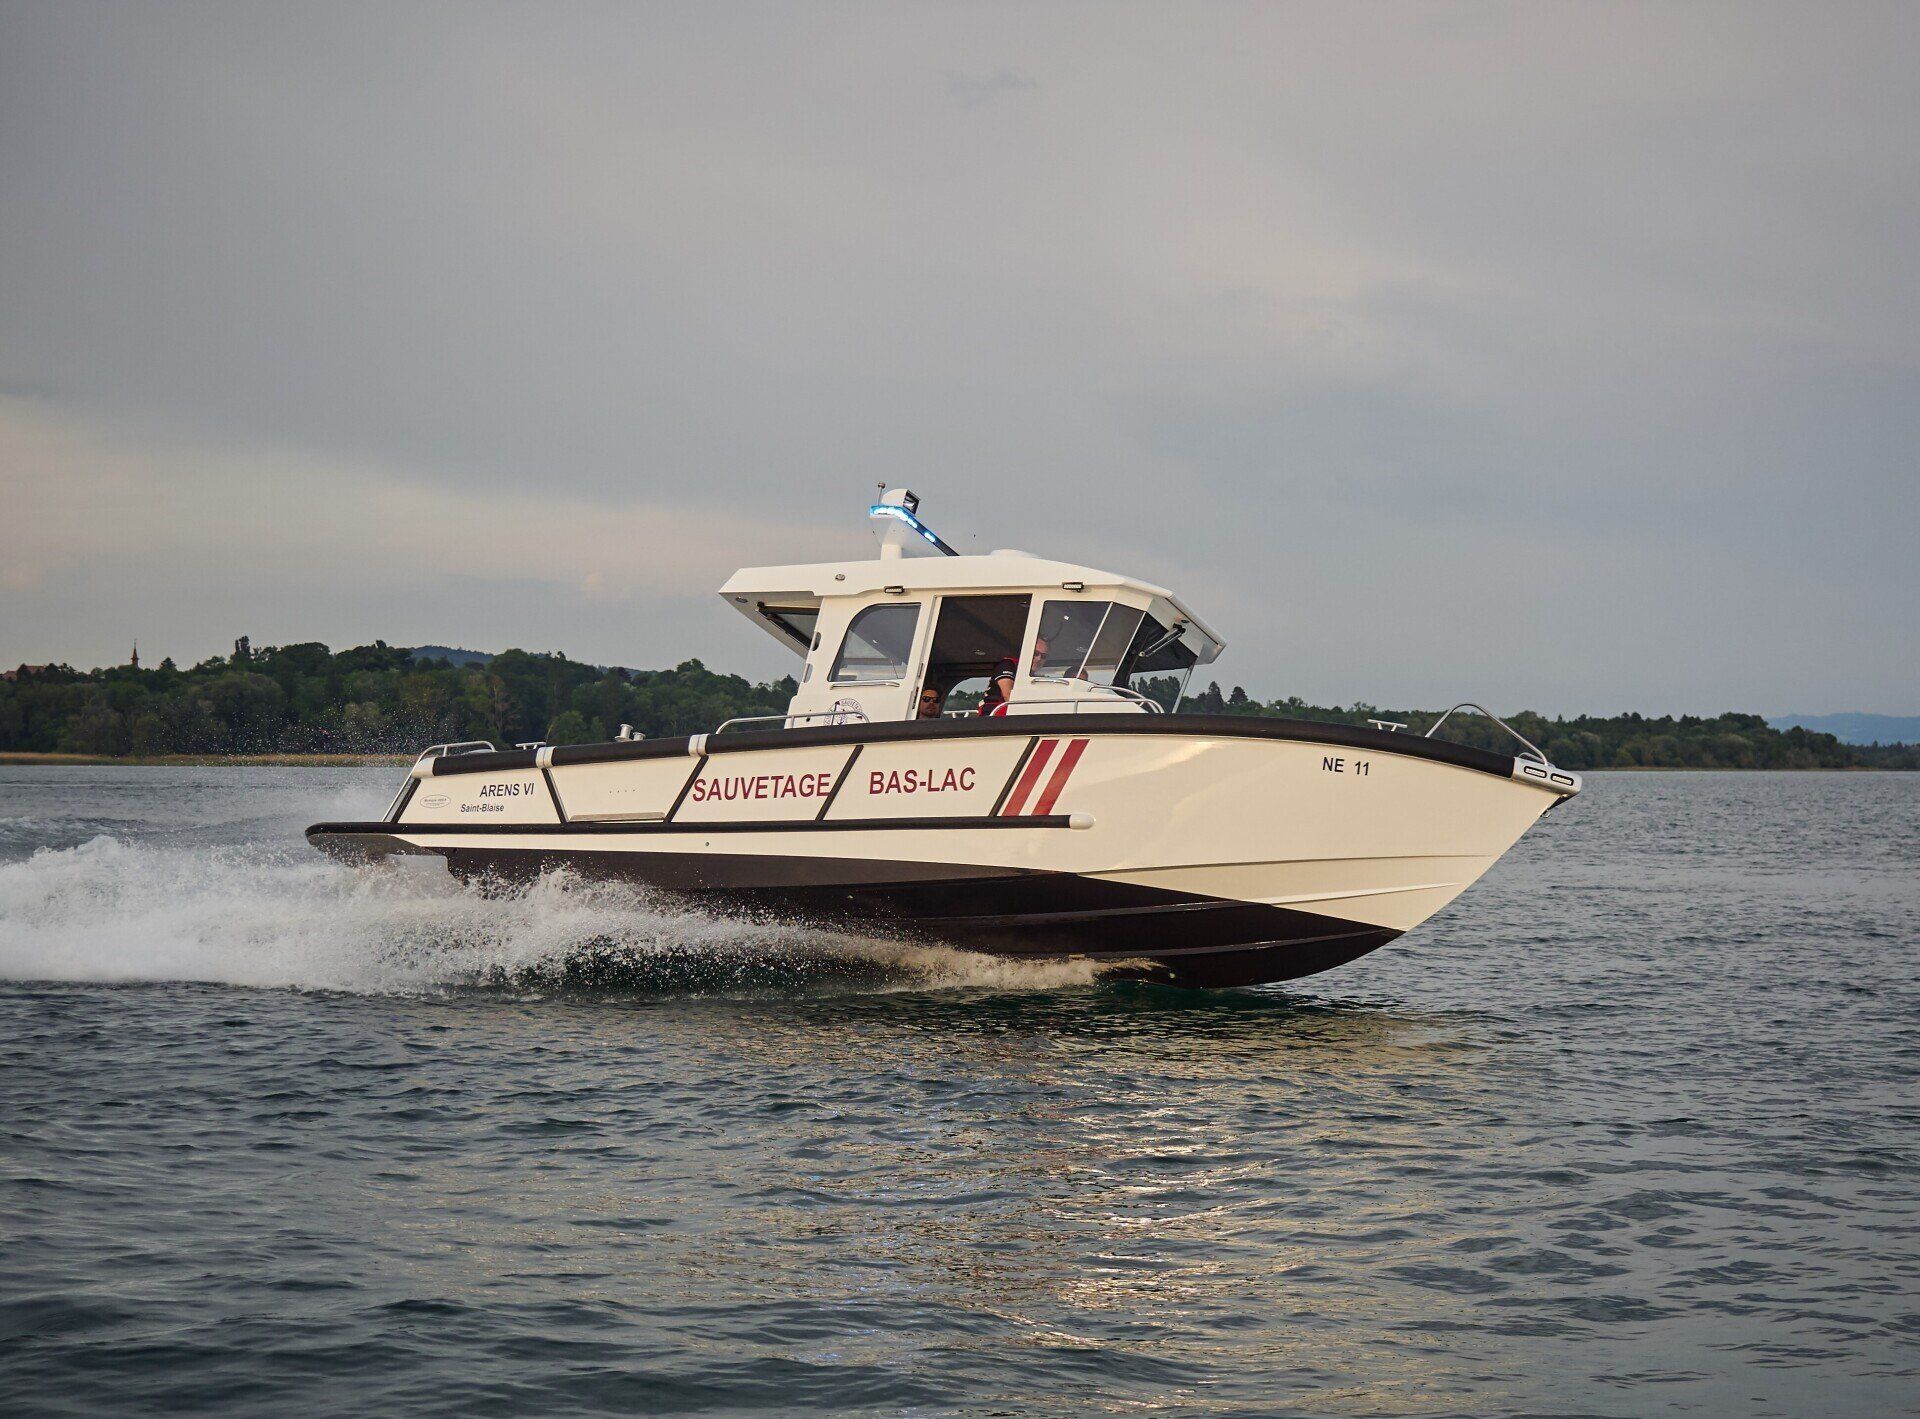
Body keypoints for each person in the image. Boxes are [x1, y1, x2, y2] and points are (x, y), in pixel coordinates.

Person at [977, 636, 1048, 716]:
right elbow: (1008, 696)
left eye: (1043, 656)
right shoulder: (1008, 665)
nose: (1039, 659)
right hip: (995, 717)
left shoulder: (1035, 678)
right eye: (1035, 653)